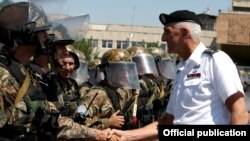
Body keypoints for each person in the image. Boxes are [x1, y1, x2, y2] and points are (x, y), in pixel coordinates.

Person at [108, 9, 249, 141]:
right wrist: (126, 135)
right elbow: (167, 123)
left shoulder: (214, 60)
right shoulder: (181, 68)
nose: (163, 38)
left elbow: (240, 113)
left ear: (184, 33)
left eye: (167, 32)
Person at [81, 49, 140, 130]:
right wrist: (108, 122)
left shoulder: (120, 91)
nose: (126, 74)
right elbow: (78, 123)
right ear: (109, 70)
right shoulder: (96, 94)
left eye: (127, 70)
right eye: (121, 69)